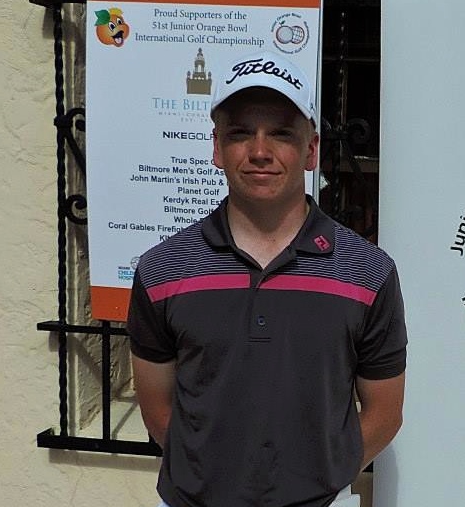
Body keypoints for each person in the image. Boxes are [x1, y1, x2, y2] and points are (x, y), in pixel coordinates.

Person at [127, 50, 407, 507]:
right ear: (216, 149)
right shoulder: (162, 270)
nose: (260, 152)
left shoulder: (368, 272)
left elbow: (385, 412)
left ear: (311, 150)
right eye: (240, 133)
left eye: (281, 133)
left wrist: (317, 483)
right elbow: (157, 406)